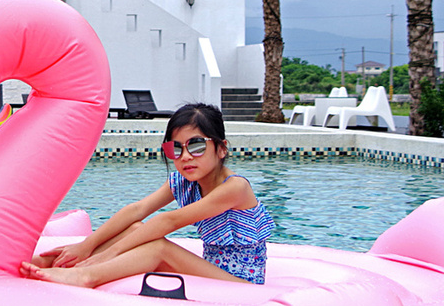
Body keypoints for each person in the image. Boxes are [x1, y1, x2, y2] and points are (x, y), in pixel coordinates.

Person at [20, 103, 273, 287]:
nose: (185, 157)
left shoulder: (235, 188)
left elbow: (168, 221)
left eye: (196, 146)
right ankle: (58, 263)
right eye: (175, 148)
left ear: (220, 149)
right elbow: (137, 210)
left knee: (159, 248)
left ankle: (86, 276)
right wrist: (86, 245)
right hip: (210, 268)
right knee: (135, 229)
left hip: (240, 281)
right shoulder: (183, 181)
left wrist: (110, 254)